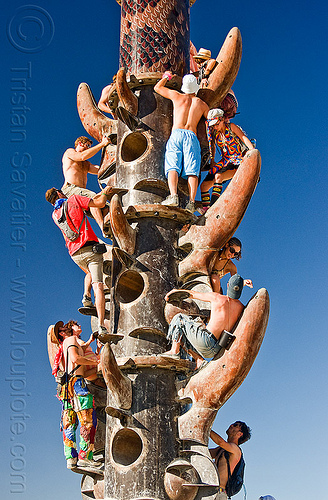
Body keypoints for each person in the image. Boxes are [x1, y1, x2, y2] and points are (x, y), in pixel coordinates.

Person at [45, 186, 112, 336]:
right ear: (59, 193)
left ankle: (85, 297)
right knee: (99, 287)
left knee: (88, 272)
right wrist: (106, 191)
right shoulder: (74, 199)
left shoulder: (55, 214)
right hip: (90, 248)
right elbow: (100, 203)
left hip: (74, 253)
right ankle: (101, 325)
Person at [162, 274, 245, 369]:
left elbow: (192, 294)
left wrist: (176, 291)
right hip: (218, 348)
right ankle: (199, 360)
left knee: (179, 318)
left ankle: (174, 351)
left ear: (227, 285)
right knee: (185, 334)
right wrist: (242, 284)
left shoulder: (217, 298)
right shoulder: (241, 308)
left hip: (206, 341)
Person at [154, 72, 209, 212]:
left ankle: (173, 196)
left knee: (173, 164)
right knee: (192, 170)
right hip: (191, 135)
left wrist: (167, 76)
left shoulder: (177, 96)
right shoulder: (201, 104)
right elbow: (211, 119)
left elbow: (157, 88)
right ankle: (191, 202)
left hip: (177, 133)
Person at [57, 322, 102, 471]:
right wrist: (95, 360)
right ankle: (85, 456)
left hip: (67, 388)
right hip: (77, 384)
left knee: (69, 423)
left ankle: (71, 458)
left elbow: (81, 369)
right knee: (87, 418)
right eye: (62, 329)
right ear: (62, 334)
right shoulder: (70, 340)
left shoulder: (64, 348)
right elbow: (76, 359)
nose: (66, 327)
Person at [200, 108, 254, 211]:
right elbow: (213, 147)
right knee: (204, 186)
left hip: (238, 160)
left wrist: (252, 151)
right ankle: (205, 210)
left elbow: (243, 138)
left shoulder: (231, 127)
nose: (215, 127)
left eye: (216, 124)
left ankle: (213, 207)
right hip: (225, 161)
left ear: (222, 119)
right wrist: (212, 162)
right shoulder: (216, 134)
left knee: (218, 176)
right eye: (213, 125)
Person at [61, 135, 110, 234]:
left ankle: (109, 230)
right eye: (87, 145)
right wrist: (102, 144)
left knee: (105, 205)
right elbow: (82, 156)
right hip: (70, 189)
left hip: (80, 193)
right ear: (80, 143)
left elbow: (100, 170)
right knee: (95, 199)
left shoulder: (86, 164)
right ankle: (103, 228)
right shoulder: (70, 152)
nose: (88, 148)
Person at [209, 421, 251, 500]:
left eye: (235, 425)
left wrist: (205, 428)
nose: (231, 425)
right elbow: (204, 453)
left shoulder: (236, 450)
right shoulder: (220, 449)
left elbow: (220, 442)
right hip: (209, 490)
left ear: (240, 434)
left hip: (219, 493)